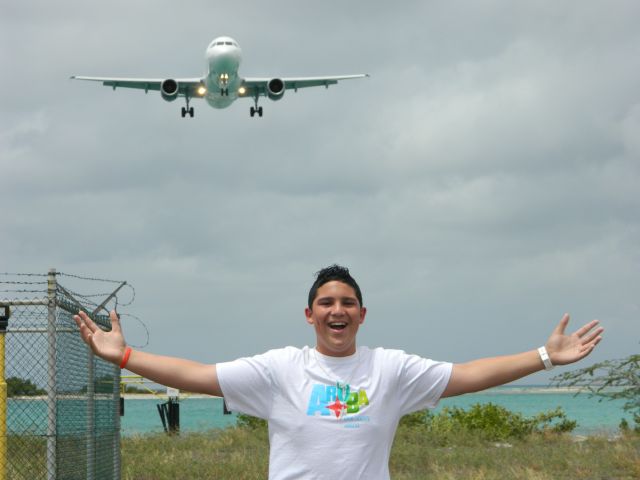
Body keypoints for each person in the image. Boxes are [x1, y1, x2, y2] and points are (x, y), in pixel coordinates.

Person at [74, 265, 603, 480]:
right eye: (325, 302)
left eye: (348, 302)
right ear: (309, 315)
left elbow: (466, 375)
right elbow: (197, 374)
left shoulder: (391, 369)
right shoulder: (280, 368)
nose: (337, 310)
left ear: (362, 314)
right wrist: (123, 357)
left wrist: (542, 356)